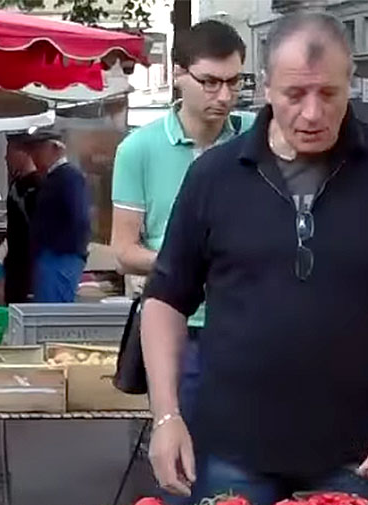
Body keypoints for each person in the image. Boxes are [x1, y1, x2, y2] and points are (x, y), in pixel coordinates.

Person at [141, 11, 368, 505]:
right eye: (295, 95)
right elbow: (164, 300)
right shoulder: (215, 176)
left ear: (349, 84)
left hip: (358, 455)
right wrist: (166, 416)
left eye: (328, 94)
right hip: (231, 452)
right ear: (267, 88)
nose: (312, 114)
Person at [112, 20, 253, 435]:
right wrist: (190, 265)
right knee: (186, 453)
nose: (224, 96)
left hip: (253, 322)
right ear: (177, 74)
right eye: (209, 82)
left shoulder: (257, 138)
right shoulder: (139, 149)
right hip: (180, 327)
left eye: (234, 82)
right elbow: (123, 250)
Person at [23, 129, 91, 303]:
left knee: (54, 311)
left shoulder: (69, 176)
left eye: (39, 150)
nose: (35, 156)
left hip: (61, 257)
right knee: (46, 308)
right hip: (50, 256)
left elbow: (79, 218)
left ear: (55, 148)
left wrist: (70, 250)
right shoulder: (52, 178)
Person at [3, 136, 42, 304]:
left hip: (28, 262)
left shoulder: (36, 185)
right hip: (14, 259)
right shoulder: (17, 183)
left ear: (23, 153)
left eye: (9, 153)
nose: (6, 158)